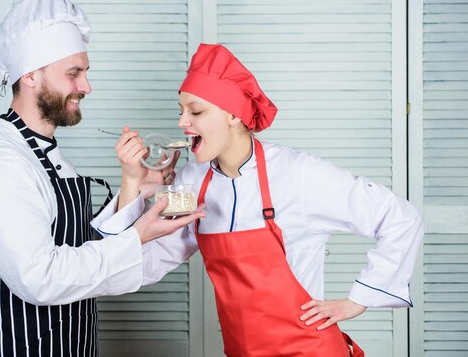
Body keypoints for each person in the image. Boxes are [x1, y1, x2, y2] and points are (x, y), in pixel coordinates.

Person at [114, 43, 424, 356]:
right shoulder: (192, 182)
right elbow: (145, 264)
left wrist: (361, 299)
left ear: (233, 114)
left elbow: (401, 218)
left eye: (196, 111)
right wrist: (134, 185)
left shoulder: (298, 174)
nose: (182, 122)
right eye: (180, 111)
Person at [0, 0, 204, 357]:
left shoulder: (44, 152)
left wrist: (135, 187)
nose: (86, 87)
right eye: (74, 73)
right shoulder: (1, 164)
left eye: (85, 73)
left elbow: (83, 246)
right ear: (31, 75)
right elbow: (42, 278)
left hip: (71, 343)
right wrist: (138, 236)